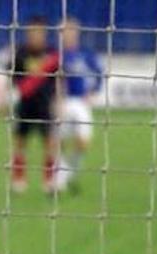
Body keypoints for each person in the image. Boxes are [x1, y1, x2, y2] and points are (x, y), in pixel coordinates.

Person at [7, 16, 59, 195]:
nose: (35, 35)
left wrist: (59, 101)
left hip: (44, 104)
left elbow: (59, 79)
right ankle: (19, 180)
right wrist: (7, 98)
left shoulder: (52, 53)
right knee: (20, 142)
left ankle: (49, 181)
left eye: (39, 32)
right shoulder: (20, 53)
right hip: (25, 104)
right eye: (32, 31)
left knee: (50, 143)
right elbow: (11, 77)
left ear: (44, 33)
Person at [53, 17, 104, 193]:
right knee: (59, 142)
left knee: (83, 141)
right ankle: (59, 181)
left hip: (81, 102)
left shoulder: (86, 54)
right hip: (64, 102)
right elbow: (53, 81)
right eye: (64, 31)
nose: (68, 34)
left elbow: (99, 74)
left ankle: (68, 174)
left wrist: (93, 92)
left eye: (71, 30)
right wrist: (56, 100)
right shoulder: (56, 55)